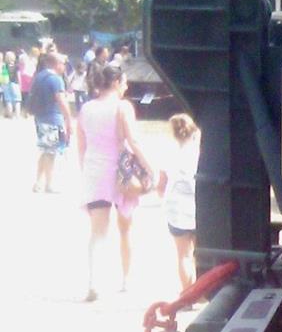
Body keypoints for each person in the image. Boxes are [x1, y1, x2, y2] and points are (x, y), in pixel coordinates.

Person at [75, 60, 156, 300]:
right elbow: (133, 141)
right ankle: (126, 279)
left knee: (97, 231)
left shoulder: (86, 108)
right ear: (118, 82)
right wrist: (151, 168)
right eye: (125, 82)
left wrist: (84, 169)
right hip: (122, 173)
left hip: (94, 171)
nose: (126, 87)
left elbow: (81, 145)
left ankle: (94, 282)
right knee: (125, 228)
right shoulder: (123, 107)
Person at [161, 113, 200, 291]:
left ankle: (187, 292)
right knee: (200, 253)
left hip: (176, 209)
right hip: (199, 207)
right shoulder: (199, 152)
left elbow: (161, 184)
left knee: (183, 255)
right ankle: (201, 291)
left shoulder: (169, 152)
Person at [29, 48, 71, 193]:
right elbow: (61, 100)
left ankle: (38, 182)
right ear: (56, 63)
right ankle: (48, 184)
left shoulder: (39, 76)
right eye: (63, 63)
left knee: (45, 150)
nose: (64, 66)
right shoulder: (56, 79)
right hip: (52, 118)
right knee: (50, 153)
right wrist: (68, 119)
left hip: (40, 118)